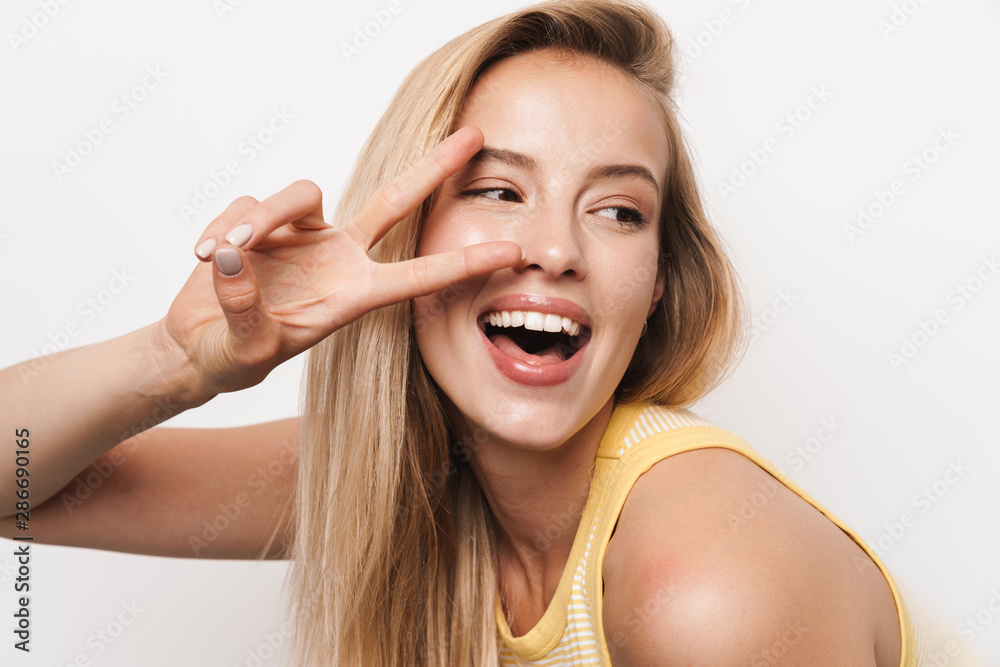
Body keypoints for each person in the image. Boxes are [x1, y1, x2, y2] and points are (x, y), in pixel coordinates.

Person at [1, 1, 921, 665]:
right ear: (403, 243)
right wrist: (170, 363)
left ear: (659, 289)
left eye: (617, 211)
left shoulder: (708, 590)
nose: (555, 249)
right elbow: (23, 485)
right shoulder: (404, 469)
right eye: (498, 191)